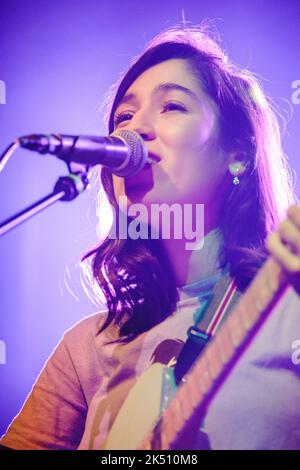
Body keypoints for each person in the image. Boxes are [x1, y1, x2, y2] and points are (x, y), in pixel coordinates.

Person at [1, 24, 300, 451]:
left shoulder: (289, 308)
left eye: (172, 106)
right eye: (124, 116)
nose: (133, 129)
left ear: (237, 152)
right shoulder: (87, 346)